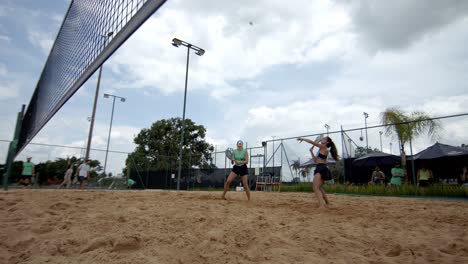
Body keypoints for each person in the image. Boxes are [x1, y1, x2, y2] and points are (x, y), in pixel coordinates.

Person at [297, 136, 339, 209]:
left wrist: (303, 138)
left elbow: (311, 142)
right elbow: (315, 160)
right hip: (320, 167)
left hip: (321, 168)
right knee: (319, 187)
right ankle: (327, 203)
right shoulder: (321, 149)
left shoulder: (324, 147)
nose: (322, 139)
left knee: (315, 188)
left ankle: (322, 205)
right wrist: (311, 152)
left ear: (327, 142)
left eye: (324, 139)